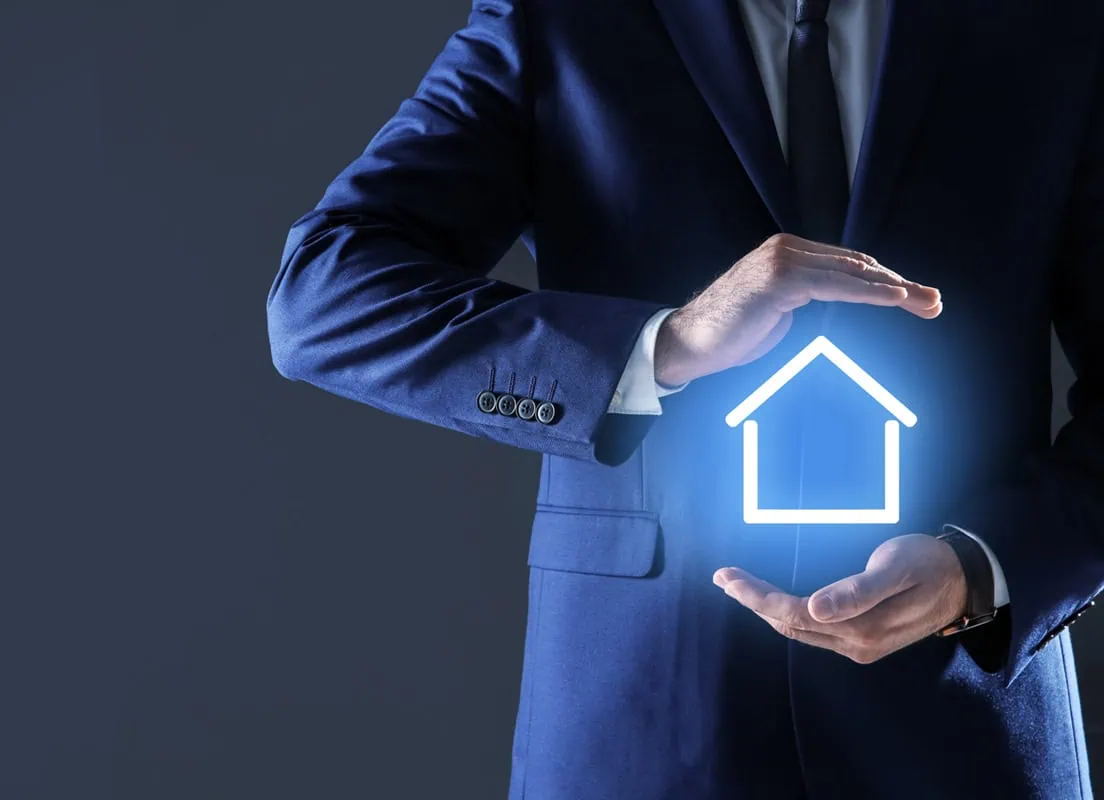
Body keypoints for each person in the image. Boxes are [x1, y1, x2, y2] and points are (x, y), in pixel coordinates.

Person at [267, 0, 1104, 796]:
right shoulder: (559, 18)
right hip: (641, 727)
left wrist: (983, 571)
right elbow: (324, 295)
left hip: (965, 735)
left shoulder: (1056, 23)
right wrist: (666, 343)